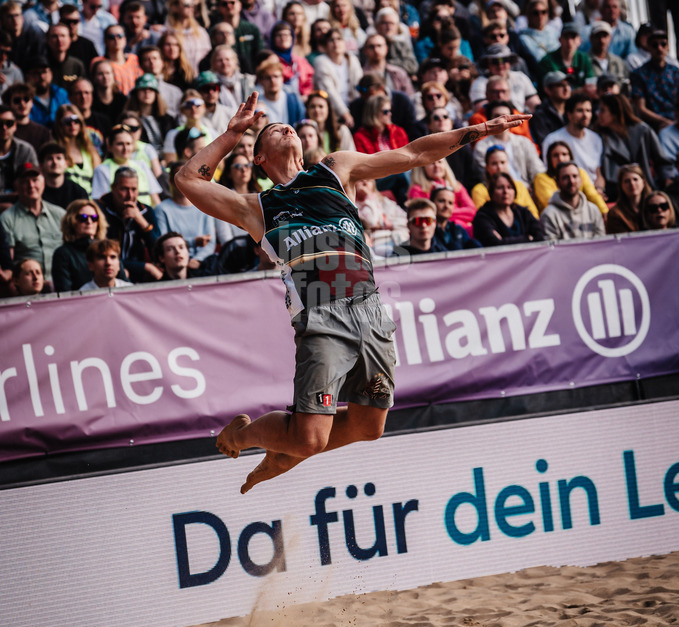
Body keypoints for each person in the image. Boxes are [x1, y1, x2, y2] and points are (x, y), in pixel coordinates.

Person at [175, 93, 530, 493]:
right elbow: (188, 180)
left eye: (285, 125)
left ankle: (285, 450)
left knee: (368, 426)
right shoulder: (257, 207)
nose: (284, 126)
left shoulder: (334, 168)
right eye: (272, 130)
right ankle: (242, 436)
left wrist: (477, 130)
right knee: (311, 436)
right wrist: (231, 135)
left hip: (369, 309)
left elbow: (413, 154)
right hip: (320, 314)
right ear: (258, 158)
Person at [595, 91, 673, 200]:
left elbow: (661, 161)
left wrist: (667, 181)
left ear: (615, 113)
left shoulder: (643, 131)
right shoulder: (599, 136)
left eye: (603, 110)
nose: (598, 114)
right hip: (614, 194)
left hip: (644, 191)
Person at [98, 166, 161, 282]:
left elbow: (158, 251)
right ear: (113, 188)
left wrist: (141, 222)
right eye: (124, 189)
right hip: (107, 271)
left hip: (140, 275)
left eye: (134, 189)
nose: (130, 195)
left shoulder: (146, 211)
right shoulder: (100, 210)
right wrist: (144, 267)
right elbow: (99, 252)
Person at [0, 161, 64, 276]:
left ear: (43, 183)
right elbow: (8, 262)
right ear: (16, 186)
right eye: (25, 182)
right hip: (27, 288)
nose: (31, 185)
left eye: (35, 180)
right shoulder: (7, 218)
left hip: (62, 285)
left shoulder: (60, 215)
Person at [472, 99, 544, 186]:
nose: (501, 120)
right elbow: (485, 178)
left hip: (527, 191)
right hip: (498, 192)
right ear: (489, 120)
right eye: (497, 116)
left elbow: (538, 172)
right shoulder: (481, 147)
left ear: (512, 118)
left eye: (505, 116)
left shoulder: (525, 143)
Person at [543, 92, 604, 187]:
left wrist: (600, 189)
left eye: (588, 111)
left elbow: (598, 173)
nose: (585, 115)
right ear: (569, 114)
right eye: (580, 111)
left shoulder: (596, 139)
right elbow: (549, 173)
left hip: (593, 190)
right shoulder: (553, 139)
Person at [91, 125, 161, 206]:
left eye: (128, 144)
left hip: (146, 213)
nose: (125, 148)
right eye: (120, 144)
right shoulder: (102, 169)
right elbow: (100, 201)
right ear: (109, 147)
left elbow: (154, 197)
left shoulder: (142, 165)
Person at [533, 139, 607, 216]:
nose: (560, 159)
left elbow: (592, 195)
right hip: (555, 218)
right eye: (555, 155)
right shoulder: (541, 178)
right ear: (549, 159)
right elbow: (549, 201)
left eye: (564, 154)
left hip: (582, 215)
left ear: (570, 156)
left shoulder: (580, 173)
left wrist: (603, 211)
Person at [630, 27, 679, 130]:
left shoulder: (677, 73)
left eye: (663, 44)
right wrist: (665, 122)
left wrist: (676, 123)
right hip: (653, 126)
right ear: (648, 47)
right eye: (655, 45)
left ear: (668, 47)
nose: (659, 48)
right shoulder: (639, 74)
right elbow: (641, 108)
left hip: (678, 123)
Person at [51, 198, 109, 292]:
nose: (89, 221)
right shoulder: (62, 254)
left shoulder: (108, 249)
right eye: (83, 217)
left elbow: (123, 284)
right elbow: (64, 293)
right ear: (71, 221)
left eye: (94, 217)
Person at [472, 172, 543, 247]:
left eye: (509, 187)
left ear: (514, 191)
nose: (506, 192)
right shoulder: (482, 217)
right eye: (500, 188)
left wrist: (503, 241)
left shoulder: (524, 212)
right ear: (491, 192)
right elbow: (494, 244)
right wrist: (528, 238)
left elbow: (540, 237)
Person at [539, 162, 606, 241]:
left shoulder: (593, 210)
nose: (572, 181)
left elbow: (601, 243)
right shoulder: (549, 215)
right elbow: (552, 248)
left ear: (581, 180)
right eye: (566, 177)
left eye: (575, 176)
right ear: (557, 183)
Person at [407, 158, 476, 234]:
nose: (437, 166)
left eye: (440, 162)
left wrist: (445, 213)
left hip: (463, 231)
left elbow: (472, 211)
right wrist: (457, 217)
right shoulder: (417, 190)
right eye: (432, 163)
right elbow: (424, 216)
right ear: (422, 167)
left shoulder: (456, 186)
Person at [471, 143, 539, 216]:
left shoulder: (519, 186)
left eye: (502, 162)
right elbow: (482, 216)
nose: (499, 167)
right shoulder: (479, 190)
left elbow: (534, 213)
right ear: (487, 167)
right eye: (494, 163)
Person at [312, 28, 362, 125]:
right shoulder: (321, 62)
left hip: (353, 107)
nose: (335, 43)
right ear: (325, 45)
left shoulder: (352, 59)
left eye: (339, 39)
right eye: (331, 40)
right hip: (332, 112)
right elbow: (329, 92)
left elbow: (358, 85)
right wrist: (345, 114)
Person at [52, 103, 102, 192]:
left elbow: (98, 182)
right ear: (60, 125)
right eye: (67, 121)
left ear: (81, 123)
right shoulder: (54, 149)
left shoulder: (89, 150)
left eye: (76, 120)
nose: (72, 124)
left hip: (89, 200)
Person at [354, 177, 407, 256]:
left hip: (396, 240)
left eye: (368, 179)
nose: (365, 182)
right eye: (361, 180)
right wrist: (368, 198)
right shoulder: (354, 207)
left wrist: (386, 224)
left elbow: (405, 220)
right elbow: (372, 221)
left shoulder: (385, 201)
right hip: (376, 246)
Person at [536, 21, 593, 92]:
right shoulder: (547, 61)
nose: (569, 42)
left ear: (579, 41)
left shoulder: (584, 59)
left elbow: (591, 86)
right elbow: (547, 90)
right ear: (559, 39)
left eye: (573, 37)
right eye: (566, 37)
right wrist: (579, 91)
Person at [0, 104, 38, 206]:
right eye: (0, 123)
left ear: (15, 126)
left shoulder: (26, 150)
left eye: (9, 123)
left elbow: (36, 182)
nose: (4, 128)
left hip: (23, 205)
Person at [255, 54, 305, 126]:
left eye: (276, 76)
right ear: (261, 81)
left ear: (282, 78)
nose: (273, 81)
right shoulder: (256, 103)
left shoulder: (293, 100)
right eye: (268, 78)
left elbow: (301, 123)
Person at [3, 82, 51, 154]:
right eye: (17, 100)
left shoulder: (43, 132)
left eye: (26, 99)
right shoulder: (4, 130)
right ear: (8, 104)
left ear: (32, 103)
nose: (22, 104)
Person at [38, 140, 89, 209]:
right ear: (41, 166)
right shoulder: (37, 192)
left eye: (59, 158)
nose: (55, 162)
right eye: (50, 158)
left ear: (66, 164)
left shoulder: (78, 192)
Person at [605, 164, 652, 234]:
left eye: (635, 179)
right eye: (627, 181)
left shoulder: (656, 206)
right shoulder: (615, 213)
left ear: (643, 182)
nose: (632, 184)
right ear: (621, 185)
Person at [104, 24, 141, 96]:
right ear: (105, 41)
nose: (116, 39)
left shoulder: (134, 59)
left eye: (120, 36)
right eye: (111, 37)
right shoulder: (100, 62)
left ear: (125, 39)